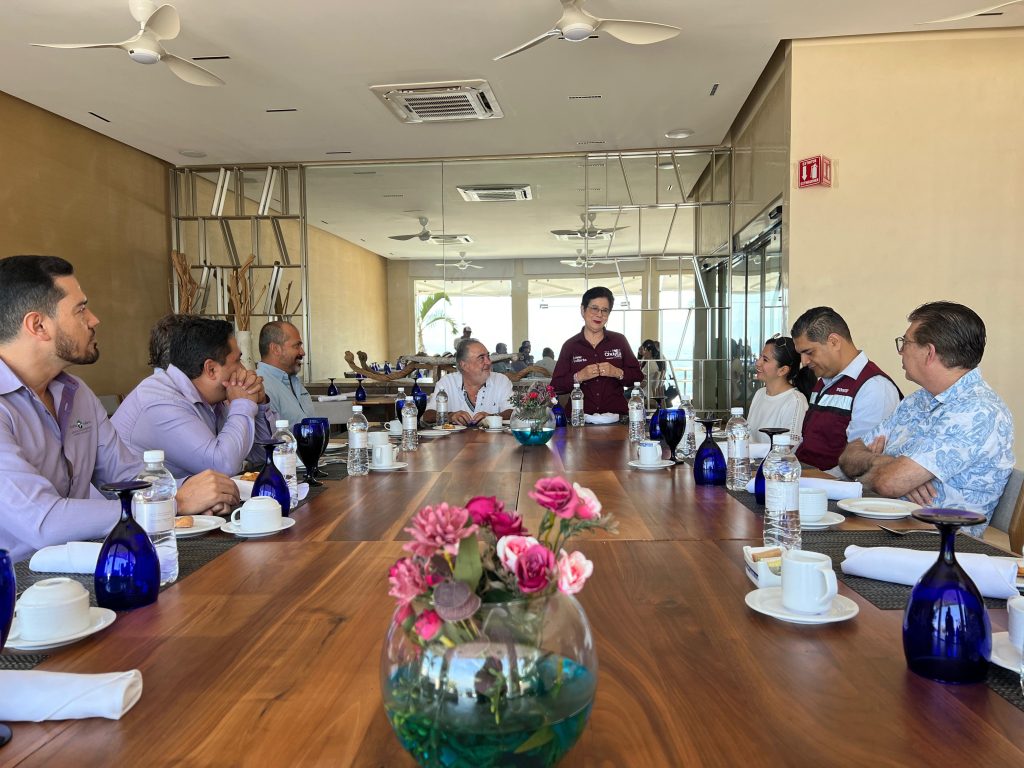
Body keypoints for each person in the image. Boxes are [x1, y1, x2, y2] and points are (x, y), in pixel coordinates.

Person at [0, 255, 238, 562]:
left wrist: (200, 491)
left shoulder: (76, 393)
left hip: (84, 562)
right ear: (39, 325)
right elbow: (43, 521)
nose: (94, 320)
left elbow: (127, 477)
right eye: (81, 309)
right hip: (15, 581)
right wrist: (174, 503)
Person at [839, 303, 1013, 535]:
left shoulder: (978, 412)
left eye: (905, 342)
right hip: (885, 524)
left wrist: (877, 472)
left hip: (935, 542)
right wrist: (886, 462)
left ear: (929, 352)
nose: (901, 351)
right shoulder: (918, 400)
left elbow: (889, 483)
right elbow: (849, 456)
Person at [113, 316, 277, 479]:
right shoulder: (161, 401)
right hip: (138, 496)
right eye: (237, 360)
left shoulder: (214, 397)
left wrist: (259, 404)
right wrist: (242, 403)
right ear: (211, 369)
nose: (244, 369)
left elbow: (263, 456)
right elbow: (222, 466)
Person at [791, 306, 901, 473]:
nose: (804, 361)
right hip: (804, 477)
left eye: (809, 352)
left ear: (834, 342)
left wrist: (813, 480)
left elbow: (859, 463)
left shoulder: (874, 387)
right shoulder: (824, 380)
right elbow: (810, 442)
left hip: (829, 485)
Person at [550, 286, 643, 415]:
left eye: (605, 310)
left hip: (617, 418)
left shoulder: (619, 341)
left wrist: (617, 372)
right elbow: (556, 386)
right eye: (594, 308)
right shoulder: (570, 346)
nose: (599, 314)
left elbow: (638, 376)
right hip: (579, 419)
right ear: (583, 310)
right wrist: (578, 376)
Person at [423, 338, 513, 426]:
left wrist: (492, 417)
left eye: (488, 356)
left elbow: (513, 411)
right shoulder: (447, 382)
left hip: (493, 436)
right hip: (456, 436)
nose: (488, 362)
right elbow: (428, 415)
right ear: (464, 365)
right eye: (481, 358)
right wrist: (450, 416)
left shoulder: (501, 381)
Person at [747, 335, 813, 442]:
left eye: (765, 359)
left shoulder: (795, 401)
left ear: (782, 370)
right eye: (760, 357)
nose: (758, 363)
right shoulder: (760, 393)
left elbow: (790, 447)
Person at [257, 320, 316, 426]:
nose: (302, 352)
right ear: (276, 349)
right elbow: (271, 434)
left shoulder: (293, 380)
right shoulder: (260, 386)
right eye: (296, 346)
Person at [638, 339, 665, 407]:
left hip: (646, 395)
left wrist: (633, 388)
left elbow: (643, 382)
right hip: (649, 393)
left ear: (649, 351)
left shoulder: (650, 364)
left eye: (644, 350)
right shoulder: (652, 362)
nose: (643, 352)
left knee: (625, 395)